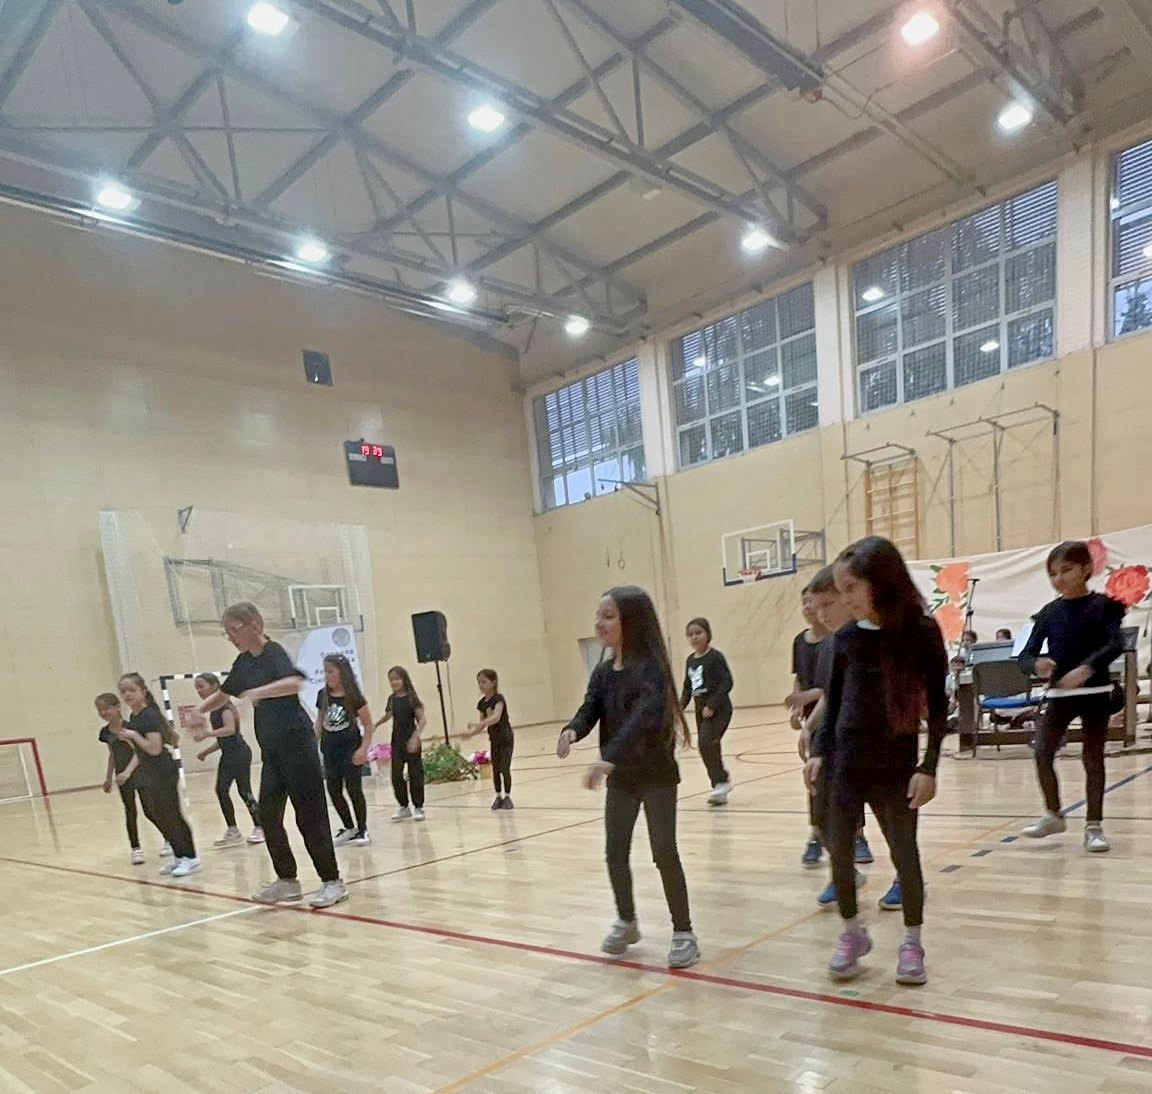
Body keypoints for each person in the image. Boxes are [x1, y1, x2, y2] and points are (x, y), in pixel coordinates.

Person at [804, 537, 948, 986]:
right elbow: (835, 702)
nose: (844, 599)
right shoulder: (845, 639)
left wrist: (929, 767)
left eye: (851, 588)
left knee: (905, 853)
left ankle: (912, 941)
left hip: (897, 767)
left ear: (880, 582)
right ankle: (852, 932)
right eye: (840, 589)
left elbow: (938, 706)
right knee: (840, 853)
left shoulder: (921, 632)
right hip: (846, 764)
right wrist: (819, 752)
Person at [556, 585, 699, 970]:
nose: (599, 623)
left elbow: (643, 719)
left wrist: (608, 758)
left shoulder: (651, 669)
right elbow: (590, 708)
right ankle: (627, 920)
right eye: (598, 616)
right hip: (622, 779)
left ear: (630, 622)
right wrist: (572, 730)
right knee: (614, 850)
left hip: (655, 775)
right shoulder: (604, 672)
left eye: (608, 616)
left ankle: (684, 931)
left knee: (663, 852)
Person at [200, 602, 346, 908]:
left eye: (234, 630)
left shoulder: (273, 652)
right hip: (272, 753)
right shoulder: (244, 662)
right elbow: (224, 694)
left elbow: (293, 683)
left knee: (310, 817)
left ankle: (332, 882)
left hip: (298, 746)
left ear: (254, 624)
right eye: (226, 633)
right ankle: (287, 881)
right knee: (268, 816)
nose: (230, 637)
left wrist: (258, 692)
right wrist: (198, 711)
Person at [1019, 541, 1125, 852]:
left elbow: (1116, 644)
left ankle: (1094, 825)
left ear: (1086, 569)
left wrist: (1087, 669)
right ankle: (1053, 814)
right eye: (1053, 573)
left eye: (1066, 570)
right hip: (1060, 695)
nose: (1059, 578)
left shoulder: (1104, 606)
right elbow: (1025, 656)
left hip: (1095, 694)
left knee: (1092, 758)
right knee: (1042, 752)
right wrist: (1036, 664)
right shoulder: (1049, 613)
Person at [801, 567, 892, 910]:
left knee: (890, 820)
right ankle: (845, 874)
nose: (820, 613)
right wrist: (811, 728)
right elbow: (831, 695)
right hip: (839, 744)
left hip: (880, 747)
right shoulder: (831, 644)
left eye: (828, 604)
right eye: (816, 606)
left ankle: (907, 878)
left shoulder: (879, 638)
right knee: (824, 815)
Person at [117, 673, 201, 878]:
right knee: (159, 813)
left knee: (172, 813)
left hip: (163, 770)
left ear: (143, 691)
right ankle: (179, 856)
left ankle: (190, 857)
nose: (127, 694)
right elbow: (141, 750)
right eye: (123, 691)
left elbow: (154, 749)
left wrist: (133, 735)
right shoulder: (135, 717)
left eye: (131, 690)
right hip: (150, 772)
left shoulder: (149, 716)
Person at [786, 586, 843, 864]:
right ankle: (816, 835)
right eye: (805, 602)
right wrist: (798, 709)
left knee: (843, 782)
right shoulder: (800, 641)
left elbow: (828, 692)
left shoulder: (837, 640)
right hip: (814, 720)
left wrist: (809, 714)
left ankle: (857, 837)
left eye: (815, 602)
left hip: (835, 717)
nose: (809, 607)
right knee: (815, 780)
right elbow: (799, 679)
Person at [192, 673, 263, 848]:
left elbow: (230, 730)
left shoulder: (225, 707)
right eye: (196, 687)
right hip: (229, 753)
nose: (199, 690)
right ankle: (233, 831)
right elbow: (224, 739)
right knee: (221, 790)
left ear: (215, 686)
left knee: (244, 791)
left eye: (201, 686)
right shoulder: (214, 709)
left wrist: (207, 733)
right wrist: (206, 752)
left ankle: (261, 826)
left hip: (239, 753)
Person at [315, 654, 375, 846]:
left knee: (353, 789)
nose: (327, 675)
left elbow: (368, 725)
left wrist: (363, 749)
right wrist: (312, 744)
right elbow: (320, 721)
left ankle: (363, 829)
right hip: (330, 750)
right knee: (333, 789)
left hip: (350, 749)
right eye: (325, 671)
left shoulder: (354, 696)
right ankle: (349, 827)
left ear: (342, 673)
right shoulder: (323, 695)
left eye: (331, 671)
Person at [97, 692, 162, 865]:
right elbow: (112, 754)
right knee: (130, 811)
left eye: (106, 708)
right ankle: (135, 848)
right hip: (121, 777)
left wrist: (127, 772)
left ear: (117, 707)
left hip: (140, 773)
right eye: (99, 710)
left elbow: (138, 752)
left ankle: (169, 838)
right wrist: (108, 777)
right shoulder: (105, 733)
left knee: (149, 810)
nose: (103, 713)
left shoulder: (130, 727)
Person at [679, 618, 734, 805]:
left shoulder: (715, 657)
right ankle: (720, 787)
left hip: (719, 710)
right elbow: (688, 688)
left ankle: (721, 781)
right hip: (700, 712)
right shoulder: (690, 660)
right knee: (708, 746)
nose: (694, 637)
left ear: (707, 634)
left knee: (706, 743)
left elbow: (727, 682)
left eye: (698, 632)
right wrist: (679, 709)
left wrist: (712, 704)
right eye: (690, 634)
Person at [375, 667, 426, 821]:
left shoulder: (412, 698)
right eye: (391, 679)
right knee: (396, 775)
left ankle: (418, 807)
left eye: (397, 678)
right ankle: (404, 806)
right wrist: (376, 724)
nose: (394, 682)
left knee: (415, 774)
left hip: (411, 740)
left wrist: (415, 738)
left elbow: (422, 720)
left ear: (404, 679)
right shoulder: (392, 699)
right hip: (396, 741)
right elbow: (388, 715)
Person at [463, 669, 515, 810]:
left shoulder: (499, 699)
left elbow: (496, 717)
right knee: (496, 769)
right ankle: (498, 797)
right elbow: (482, 725)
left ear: (493, 682)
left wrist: (479, 724)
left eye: (484, 682)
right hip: (494, 739)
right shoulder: (481, 703)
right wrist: (471, 733)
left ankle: (508, 797)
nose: (481, 685)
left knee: (504, 768)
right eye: (479, 682)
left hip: (506, 738)